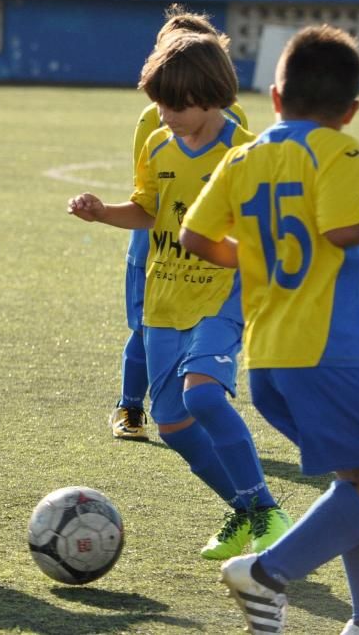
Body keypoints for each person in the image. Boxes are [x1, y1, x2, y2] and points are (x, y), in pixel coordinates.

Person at [181, 25, 359, 634]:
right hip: (332, 355)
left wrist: (258, 256)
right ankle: (268, 570)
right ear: (350, 111)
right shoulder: (337, 150)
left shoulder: (243, 156)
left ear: (273, 97)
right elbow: (342, 231)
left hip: (269, 358)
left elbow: (194, 237)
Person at [68, 32, 291, 561]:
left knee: (204, 395)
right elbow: (148, 211)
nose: (162, 115)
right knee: (171, 423)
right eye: (158, 104)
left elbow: (269, 232)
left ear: (211, 97)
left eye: (173, 105)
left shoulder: (244, 151)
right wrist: (103, 213)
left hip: (222, 293)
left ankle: (268, 512)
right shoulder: (158, 145)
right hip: (164, 297)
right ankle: (245, 509)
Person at [111, 4, 248, 442]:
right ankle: (130, 406)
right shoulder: (152, 120)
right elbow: (148, 193)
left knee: (201, 331)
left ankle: (198, 397)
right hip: (154, 244)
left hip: (210, 253)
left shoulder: (236, 124)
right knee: (146, 326)